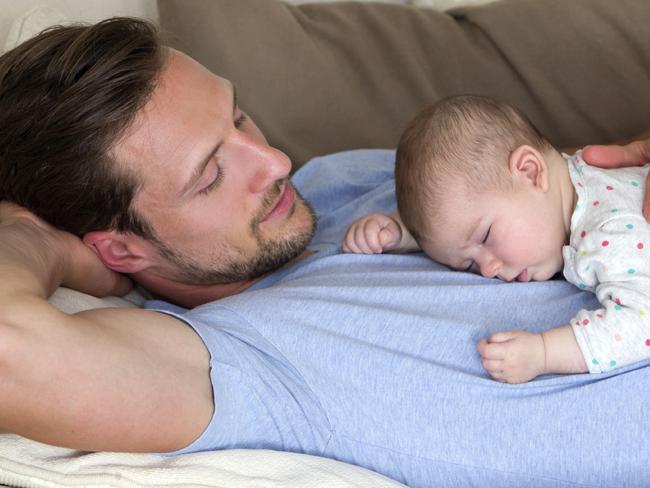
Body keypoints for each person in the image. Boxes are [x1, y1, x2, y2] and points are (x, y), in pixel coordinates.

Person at [1, 17, 650, 487]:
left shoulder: (334, 180)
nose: (277, 162)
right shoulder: (235, 358)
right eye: (210, 175)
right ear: (121, 248)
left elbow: (562, 184)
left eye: (239, 118)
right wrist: (35, 239)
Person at [344, 94, 650, 384]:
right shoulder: (578, 177)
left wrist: (543, 352)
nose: (488, 269)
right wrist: (401, 231)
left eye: (486, 236)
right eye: (468, 264)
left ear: (530, 172)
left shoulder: (608, 235)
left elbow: (640, 324)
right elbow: (457, 217)